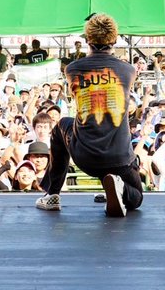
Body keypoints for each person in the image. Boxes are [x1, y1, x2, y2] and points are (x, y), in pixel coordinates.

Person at [35, 13, 142, 218]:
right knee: (136, 198)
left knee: (60, 126)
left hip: (85, 155)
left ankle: (53, 195)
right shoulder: (128, 70)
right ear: (115, 40)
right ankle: (119, 187)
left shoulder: (73, 69)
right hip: (119, 157)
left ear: (87, 39)